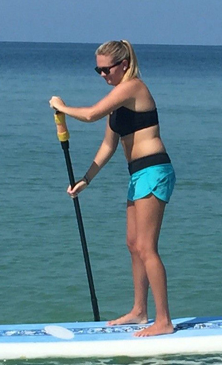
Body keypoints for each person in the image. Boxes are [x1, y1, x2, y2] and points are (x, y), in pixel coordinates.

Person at [49, 40, 176, 337]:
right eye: (98, 70)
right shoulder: (117, 102)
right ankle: (139, 311)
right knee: (133, 245)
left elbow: (91, 114)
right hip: (137, 174)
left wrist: (62, 107)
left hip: (154, 170)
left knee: (147, 248)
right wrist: (86, 179)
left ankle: (164, 320)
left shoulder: (134, 87)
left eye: (107, 69)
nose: (103, 75)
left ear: (123, 65)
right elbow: (108, 145)